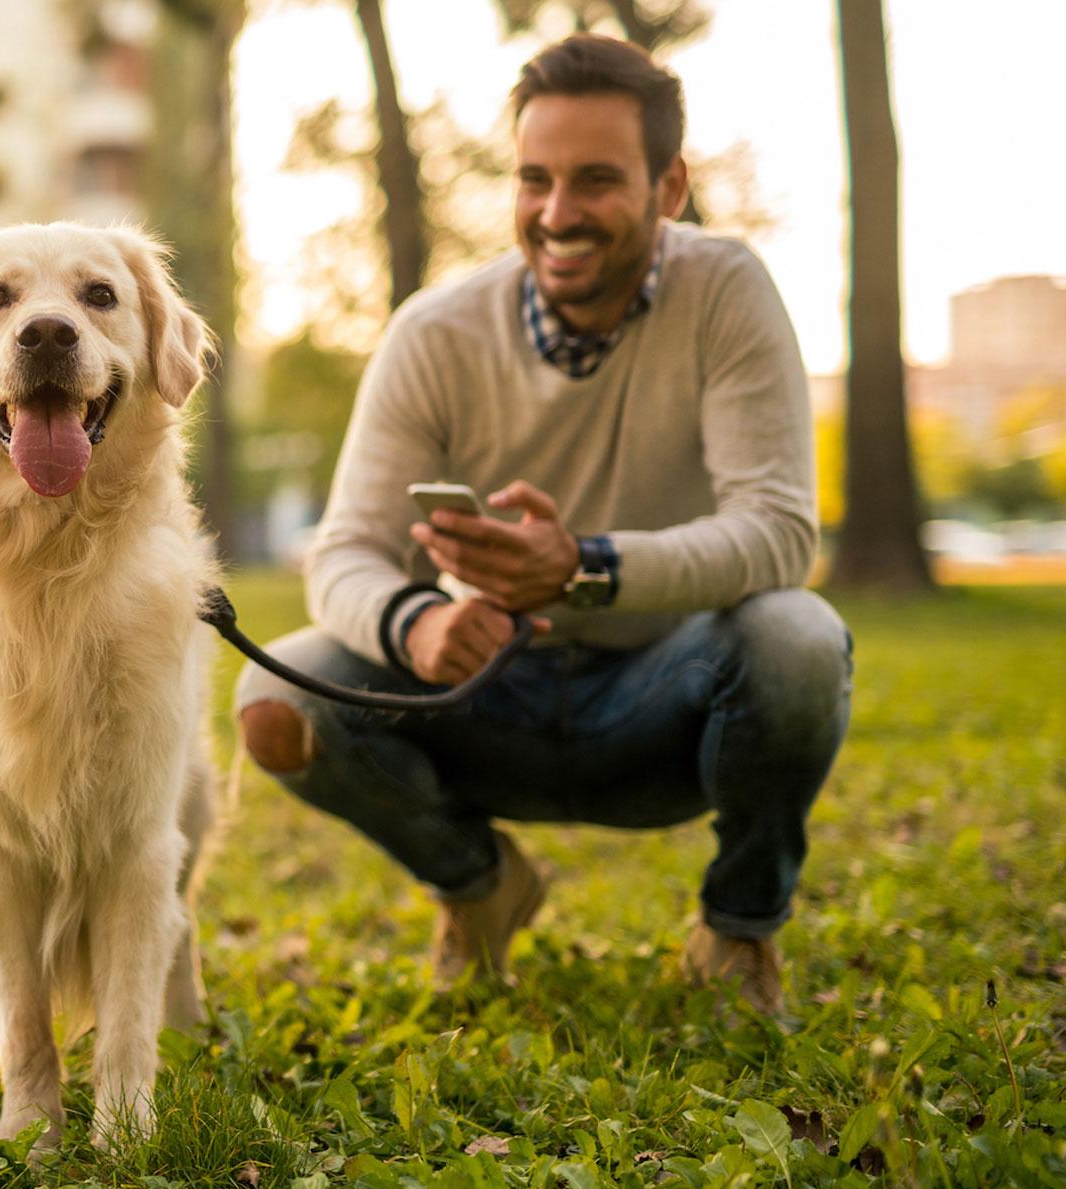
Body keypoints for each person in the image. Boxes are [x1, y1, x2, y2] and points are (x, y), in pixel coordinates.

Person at [234, 33, 852, 1016]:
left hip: (669, 702)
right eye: (534, 179)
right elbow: (344, 551)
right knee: (277, 695)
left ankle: (737, 930)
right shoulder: (434, 333)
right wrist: (417, 624)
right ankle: (479, 887)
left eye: (597, 180)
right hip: (483, 701)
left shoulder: (726, 291)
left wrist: (584, 565)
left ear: (669, 186)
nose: (557, 214)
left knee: (801, 640)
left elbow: (780, 532)